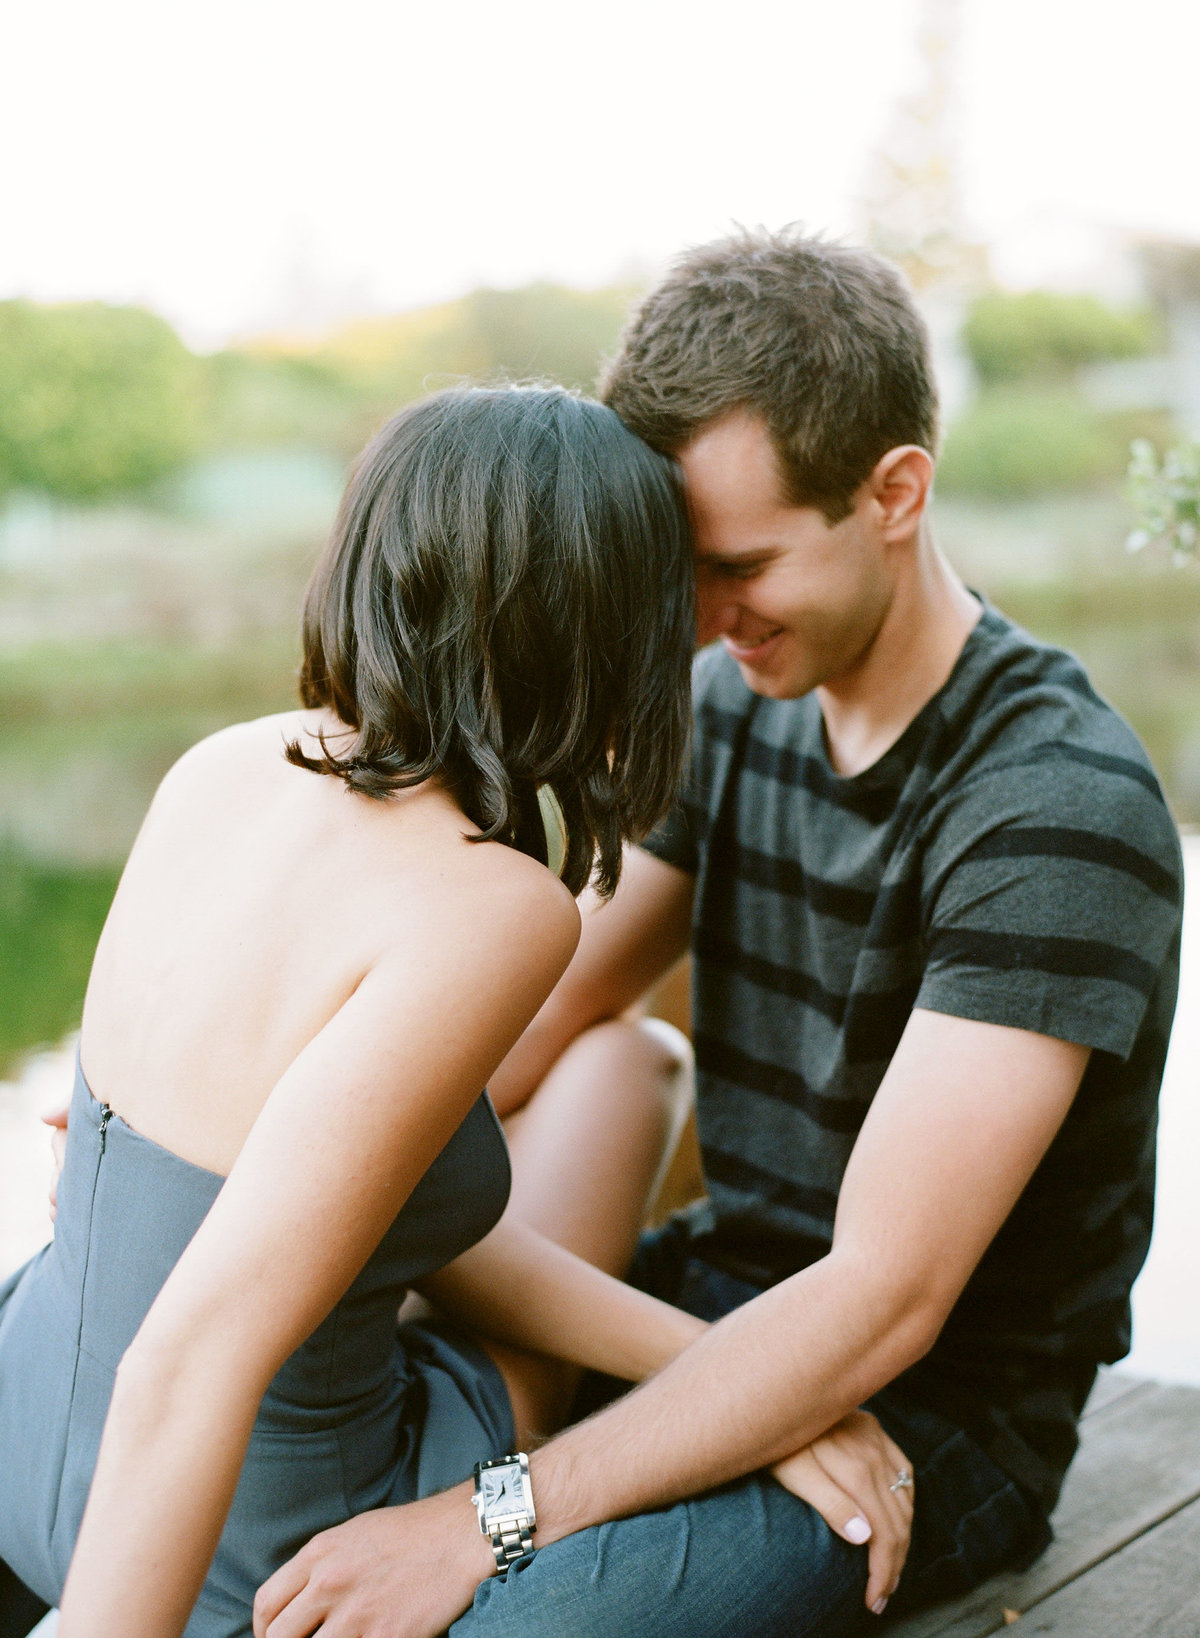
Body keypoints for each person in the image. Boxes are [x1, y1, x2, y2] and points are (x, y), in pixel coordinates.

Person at [251, 231, 1186, 1638]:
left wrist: (485, 1517)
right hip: (700, 1313)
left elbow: (882, 1300)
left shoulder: (1055, 807)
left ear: (895, 491)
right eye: (676, 569)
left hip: (923, 1419)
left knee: (497, 1621)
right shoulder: (738, 710)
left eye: (737, 565)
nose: (694, 618)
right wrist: (236, 1143)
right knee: (242, 1455)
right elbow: (536, 1018)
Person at [0, 384, 914, 1638]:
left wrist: (746, 1382)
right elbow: (195, 1349)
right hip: (235, 1550)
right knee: (783, 1508)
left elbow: (298, 1223)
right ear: (608, 631)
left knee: (627, 1062)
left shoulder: (222, 764)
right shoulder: (493, 906)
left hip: (30, 1430)